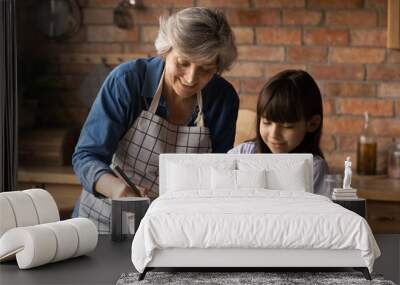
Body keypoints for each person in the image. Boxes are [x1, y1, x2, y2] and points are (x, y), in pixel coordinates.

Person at [72, 7, 239, 233]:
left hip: (174, 227)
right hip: (103, 220)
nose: (191, 78)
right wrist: (117, 189)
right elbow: (86, 156)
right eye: (183, 63)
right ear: (166, 50)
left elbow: (218, 174)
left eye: (206, 70)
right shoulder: (127, 81)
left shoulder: (222, 99)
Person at [229, 70, 328, 195]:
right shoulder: (244, 153)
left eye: (287, 126)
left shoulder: (313, 168)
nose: (274, 134)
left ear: (312, 124)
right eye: (266, 122)